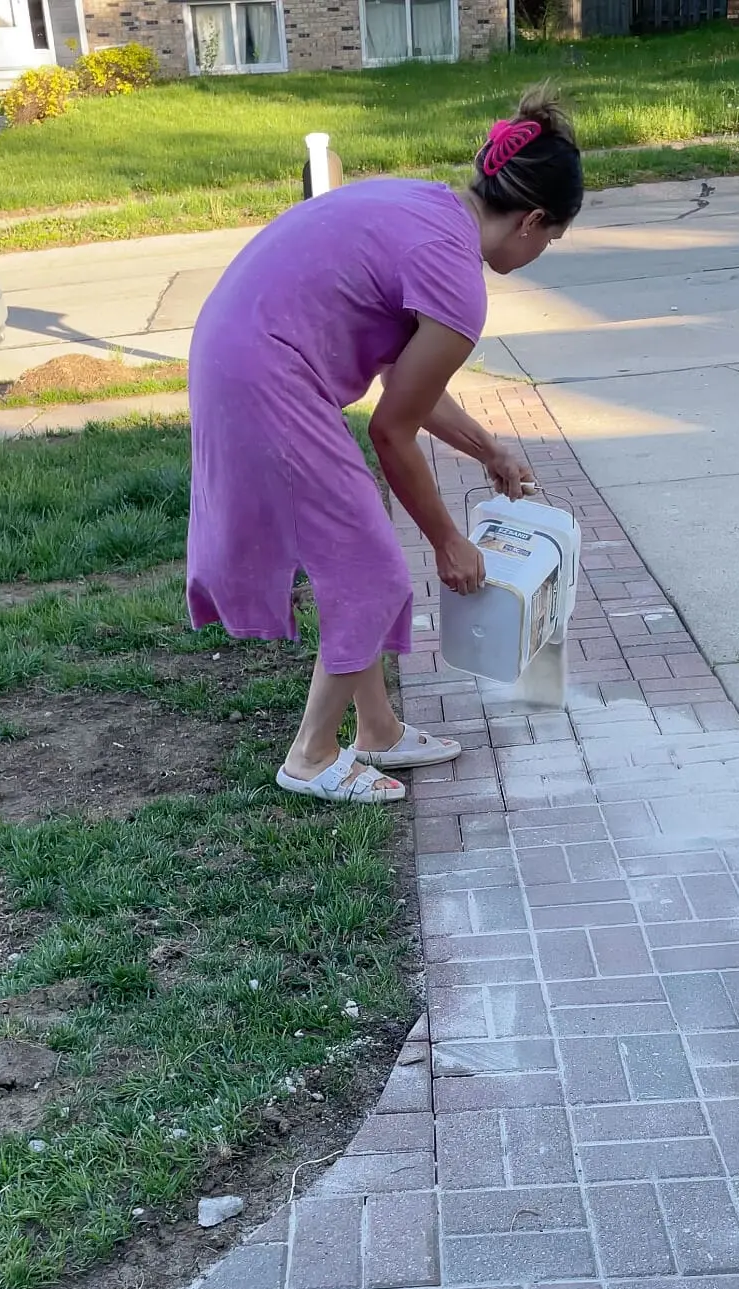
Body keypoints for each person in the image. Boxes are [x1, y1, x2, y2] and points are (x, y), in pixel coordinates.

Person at [186, 88, 583, 803]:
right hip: (265, 375)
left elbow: (406, 382)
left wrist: (487, 448)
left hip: (237, 352)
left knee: (353, 556)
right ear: (531, 220)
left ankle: (378, 730)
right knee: (375, 571)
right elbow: (391, 430)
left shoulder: (430, 208)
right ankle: (310, 756)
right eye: (551, 239)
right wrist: (449, 540)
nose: (541, 252)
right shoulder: (459, 280)